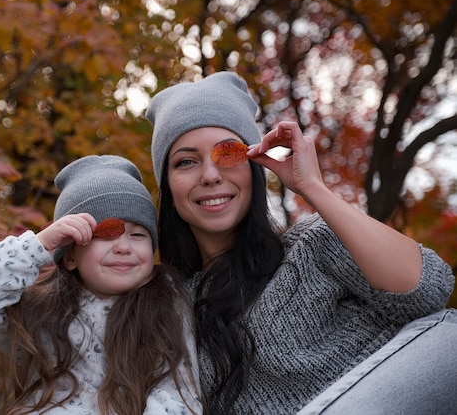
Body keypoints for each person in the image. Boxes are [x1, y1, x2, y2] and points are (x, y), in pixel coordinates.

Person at [145, 71, 457, 414]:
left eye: (229, 153)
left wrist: (313, 188)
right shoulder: (170, 311)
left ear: (254, 167)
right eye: (186, 162)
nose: (210, 175)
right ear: (168, 188)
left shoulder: (313, 244)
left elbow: (429, 292)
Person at [0, 155, 203, 415]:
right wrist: (39, 245)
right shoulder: (42, 313)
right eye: (106, 234)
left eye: (138, 235)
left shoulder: (165, 305)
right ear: (70, 255)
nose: (125, 247)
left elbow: (176, 395)